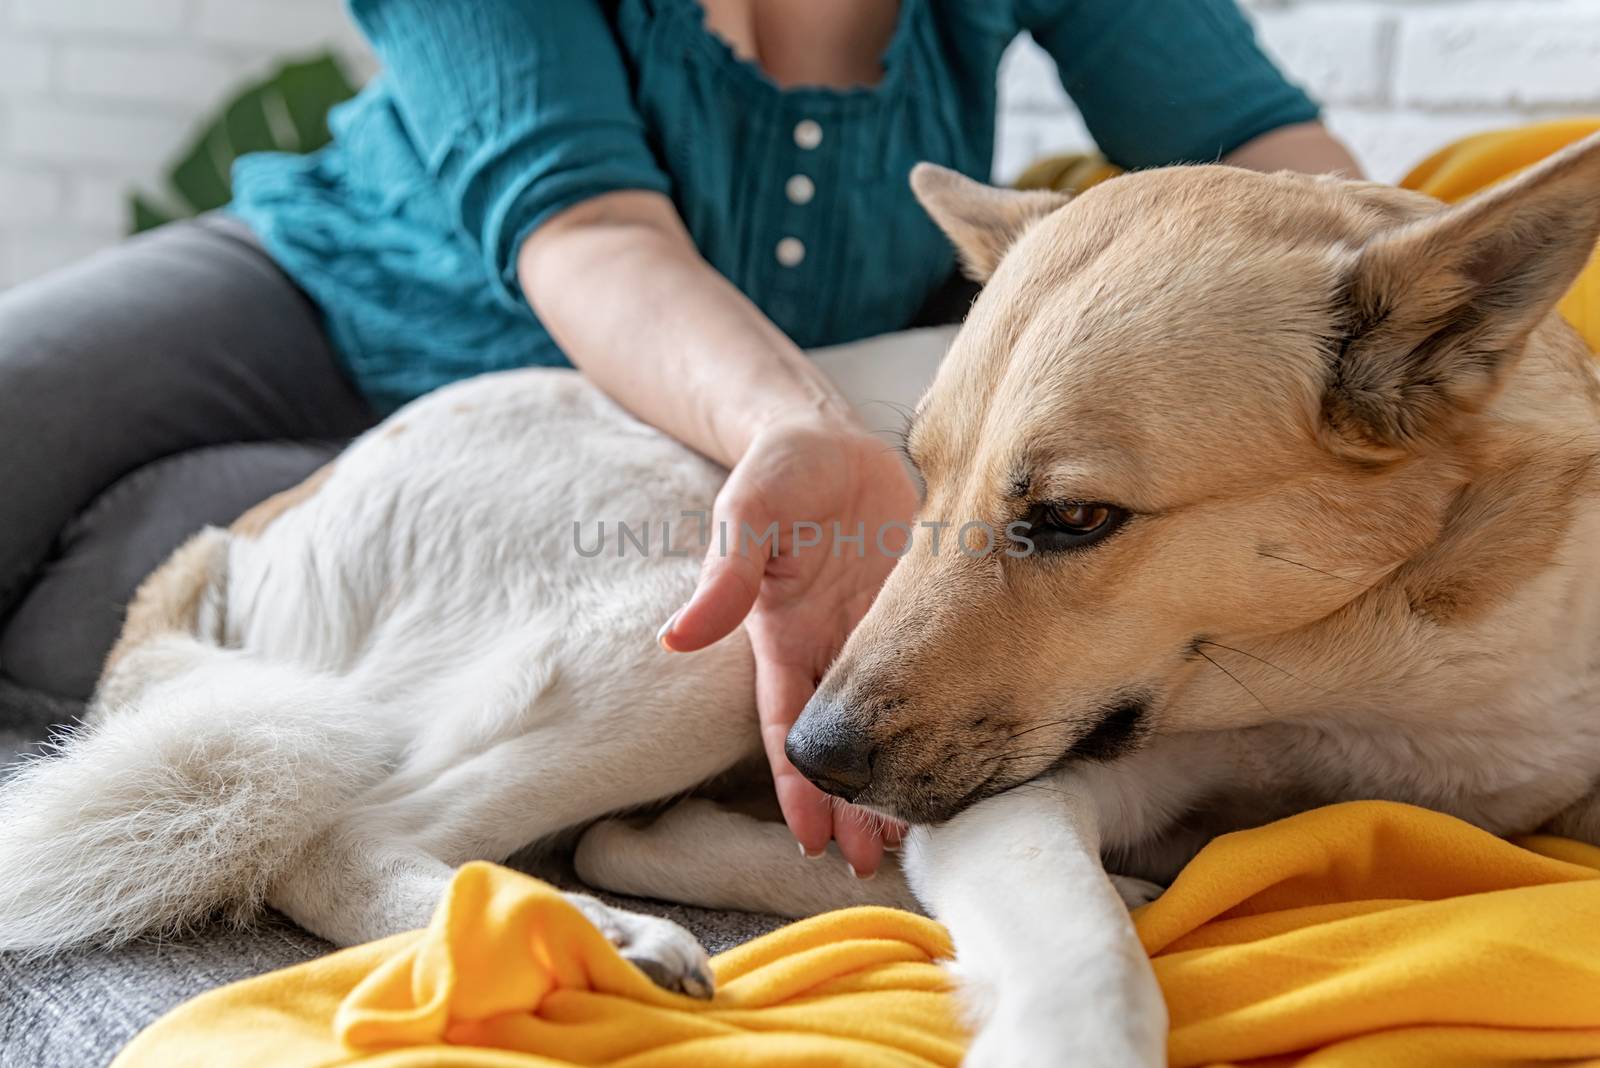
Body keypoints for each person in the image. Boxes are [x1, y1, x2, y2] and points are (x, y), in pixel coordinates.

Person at [0, 0, 1361, 880]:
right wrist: (805, 428)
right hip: (342, 289)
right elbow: (586, 227)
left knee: (107, 595)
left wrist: (1470, 326)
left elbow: (1285, 173)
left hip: (622, 433)